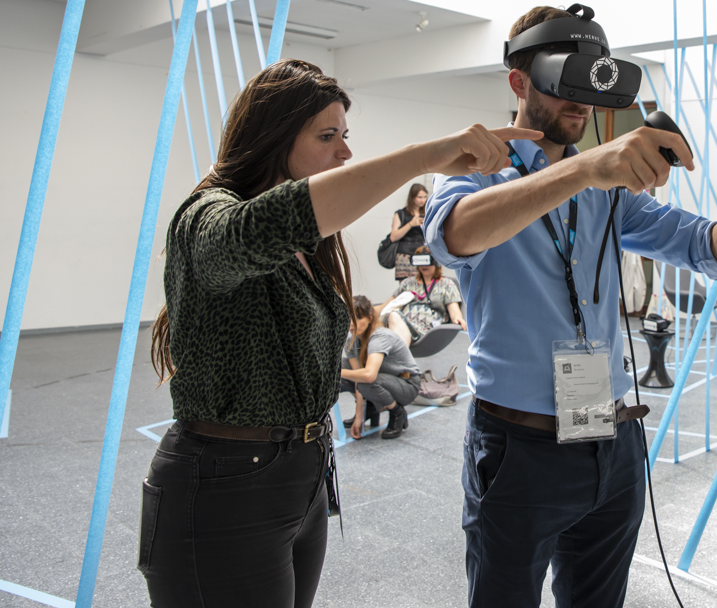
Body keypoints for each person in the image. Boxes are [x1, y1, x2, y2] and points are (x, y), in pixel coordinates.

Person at [424, 5, 717, 608]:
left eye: (591, 83)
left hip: (609, 439)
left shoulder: (605, 192)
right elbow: (456, 235)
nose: (579, 103)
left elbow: (707, 247)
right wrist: (586, 169)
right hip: (519, 450)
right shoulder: (477, 172)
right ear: (519, 82)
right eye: (563, 82)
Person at [138, 58, 540, 607]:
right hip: (224, 483)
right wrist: (425, 157)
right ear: (271, 138)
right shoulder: (207, 213)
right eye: (328, 136)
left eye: (345, 135)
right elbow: (259, 228)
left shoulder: (310, 244)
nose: (345, 151)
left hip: (299, 475)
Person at [340, 295, 421, 440]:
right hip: (381, 380)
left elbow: (368, 376)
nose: (351, 324)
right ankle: (369, 408)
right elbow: (358, 377)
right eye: (349, 318)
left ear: (370, 317)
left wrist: (335, 372)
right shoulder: (350, 340)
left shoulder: (379, 337)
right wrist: (359, 416)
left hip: (407, 384)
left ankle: (397, 412)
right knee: (345, 370)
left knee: (360, 379)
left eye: (358, 319)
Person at [379, 245, 466, 345]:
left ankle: (397, 352)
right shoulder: (407, 283)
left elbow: (454, 310)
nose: (423, 265)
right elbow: (387, 305)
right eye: (419, 261)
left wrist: (457, 318)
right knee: (391, 317)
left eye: (427, 260)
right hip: (400, 321)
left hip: (426, 330)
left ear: (436, 262)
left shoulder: (446, 284)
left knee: (393, 320)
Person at [387, 183, 429, 280]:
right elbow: (393, 237)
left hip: (423, 255)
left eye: (425, 197)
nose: (423, 200)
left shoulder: (427, 213)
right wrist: (410, 224)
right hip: (405, 256)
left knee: (425, 286)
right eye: (419, 197)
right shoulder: (401, 214)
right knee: (407, 288)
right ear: (412, 197)